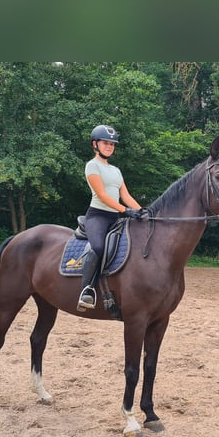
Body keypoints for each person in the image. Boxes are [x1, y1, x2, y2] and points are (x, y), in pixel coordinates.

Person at [77, 124, 145, 311]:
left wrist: (143, 211)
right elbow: (102, 195)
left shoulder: (116, 170)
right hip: (98, 216)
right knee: (98, 247)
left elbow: (126, 196)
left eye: (112, 144)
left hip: (116, 216)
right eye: (105, 143)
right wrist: (125, 211)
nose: (109, 147)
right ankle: (87, 290)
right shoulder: (92, 165)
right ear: (95, 144)